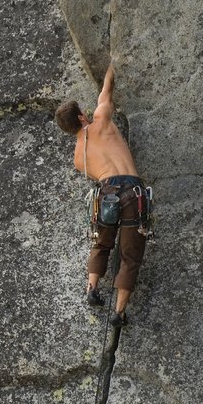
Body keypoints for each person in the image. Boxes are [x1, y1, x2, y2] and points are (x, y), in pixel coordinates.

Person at [54, 64, 146, 328]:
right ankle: (119, 312)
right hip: (133, 191)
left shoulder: (77, 159)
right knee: (130, 256)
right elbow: (107, 89)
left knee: (101, 243)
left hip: (105, 193)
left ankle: (92, 288)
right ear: (82, 117)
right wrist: (114, 61)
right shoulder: (102, 120)